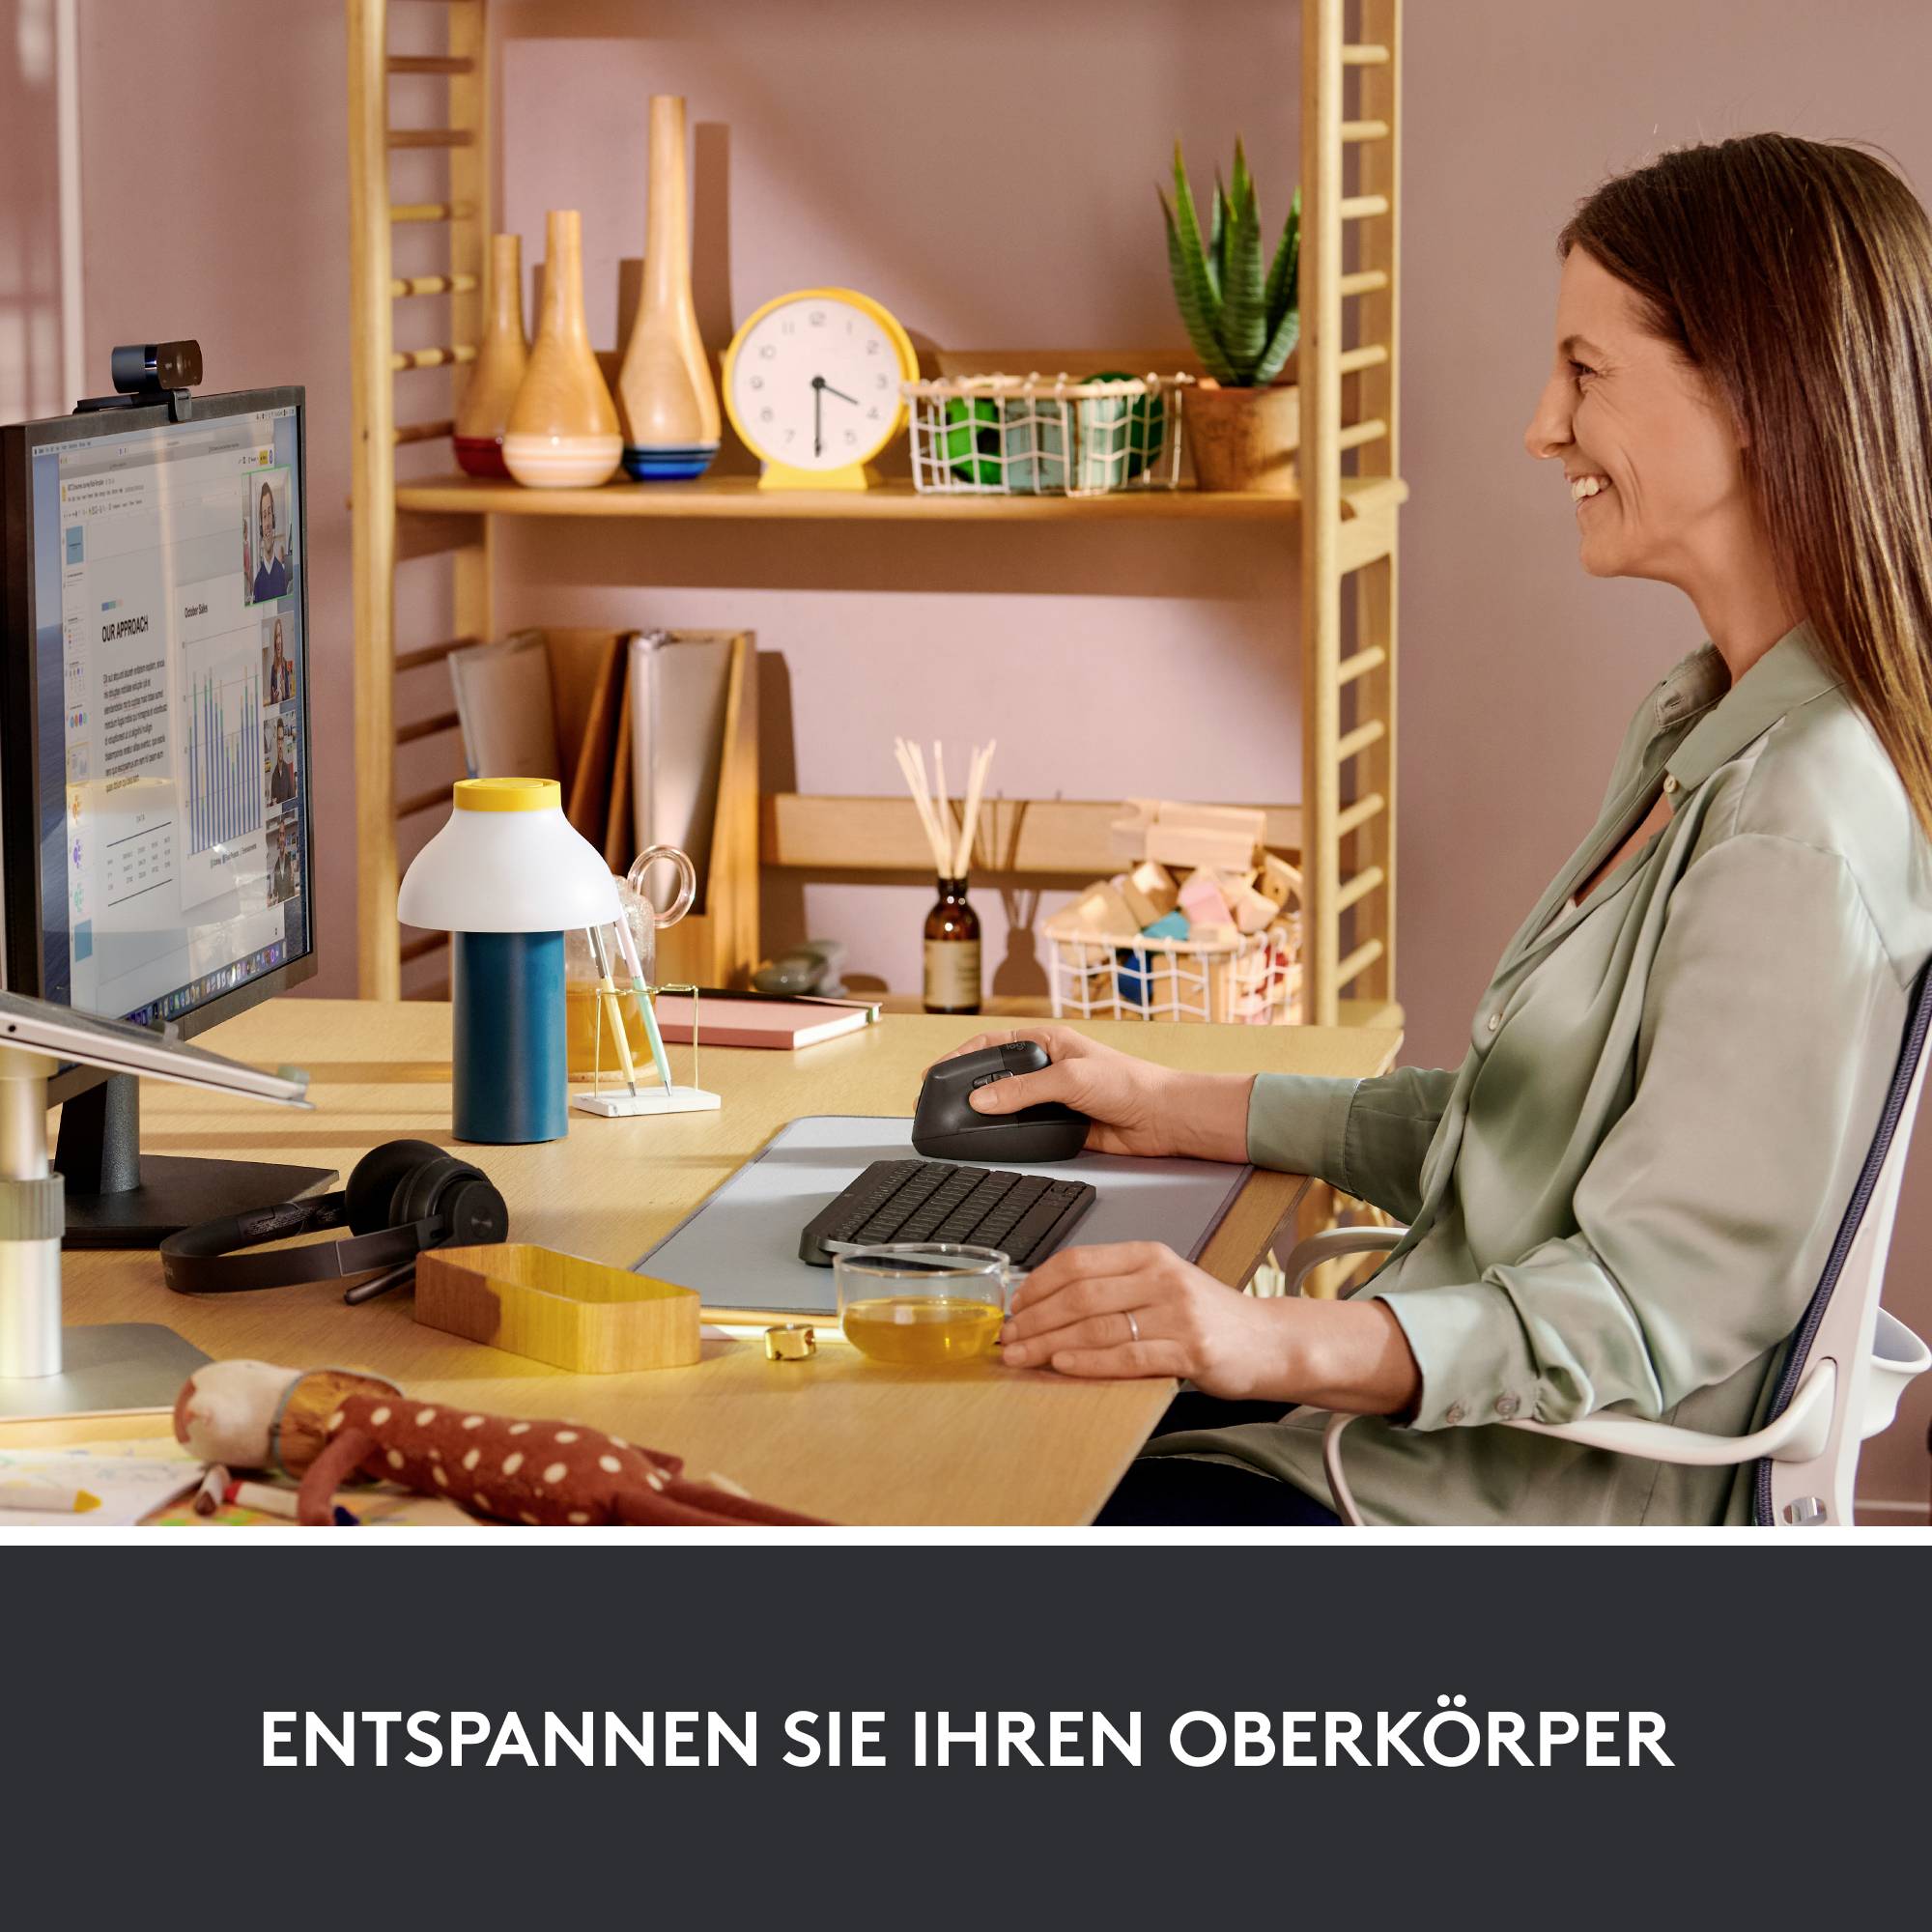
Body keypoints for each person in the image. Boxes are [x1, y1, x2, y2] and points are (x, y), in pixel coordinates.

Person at [959, 134, 1932, 1527]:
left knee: (952, 1484)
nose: (1543, 425)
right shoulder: (1709, 724)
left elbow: (1662, 1303)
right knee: (990, 1406)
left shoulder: (1802, 818)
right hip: (1436, 1450)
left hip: (1489, 1509)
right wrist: (1174, 1104)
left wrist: (1263, 1338)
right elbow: (1534, 1130)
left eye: (1586, 374)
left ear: (1756, 395)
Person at [252, 479, 290, 604]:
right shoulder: (257, 583)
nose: (267, 522)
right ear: (261, 527)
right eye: (264, 516)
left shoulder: (283, 574)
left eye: (269, 514)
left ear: (273, 521)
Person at [268, 616, 294, 702]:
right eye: (276, 637)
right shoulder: (272, 668)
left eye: (279, 636)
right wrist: (274, 699)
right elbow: (272, 702)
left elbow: (288, 698)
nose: (278, 641)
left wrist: (283, 691)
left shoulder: (285, 664)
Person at [269, 722, 295, 805]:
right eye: (278, 740)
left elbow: (292, 797)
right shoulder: (272, 774)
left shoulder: (288, 768)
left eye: (282, 740)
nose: (280, 745)